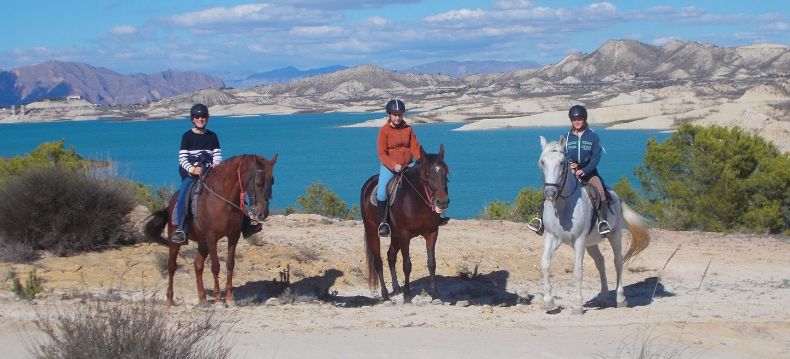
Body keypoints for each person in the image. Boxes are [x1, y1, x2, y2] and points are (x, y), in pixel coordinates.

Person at [528, 105, 611, 236]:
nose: (577, 121)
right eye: (574, 119)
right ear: (571, 120)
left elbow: (596, 156)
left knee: (600, 192)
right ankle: (540, 221)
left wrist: (585, 170)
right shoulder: (567, 137)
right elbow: (563, 154)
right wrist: (570, 163)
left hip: (589, 172)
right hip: (571, 171)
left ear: (584, 119)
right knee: (549, 188)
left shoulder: (592, 136)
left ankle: (602, 222)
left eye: (580, 118)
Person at [375, 99, 448, 237]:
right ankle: (384, 223)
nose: (397, 117)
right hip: (390, 167)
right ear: (389, 115)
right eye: (395, 114)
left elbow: (415, 147)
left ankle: (437, 215)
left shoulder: (408, 129)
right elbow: (381, 153)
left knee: (428, 183)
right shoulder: (383, 131)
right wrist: (393, 165)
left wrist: (422, 162)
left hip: (408, 165)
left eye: (400, 114)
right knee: (381, 193)